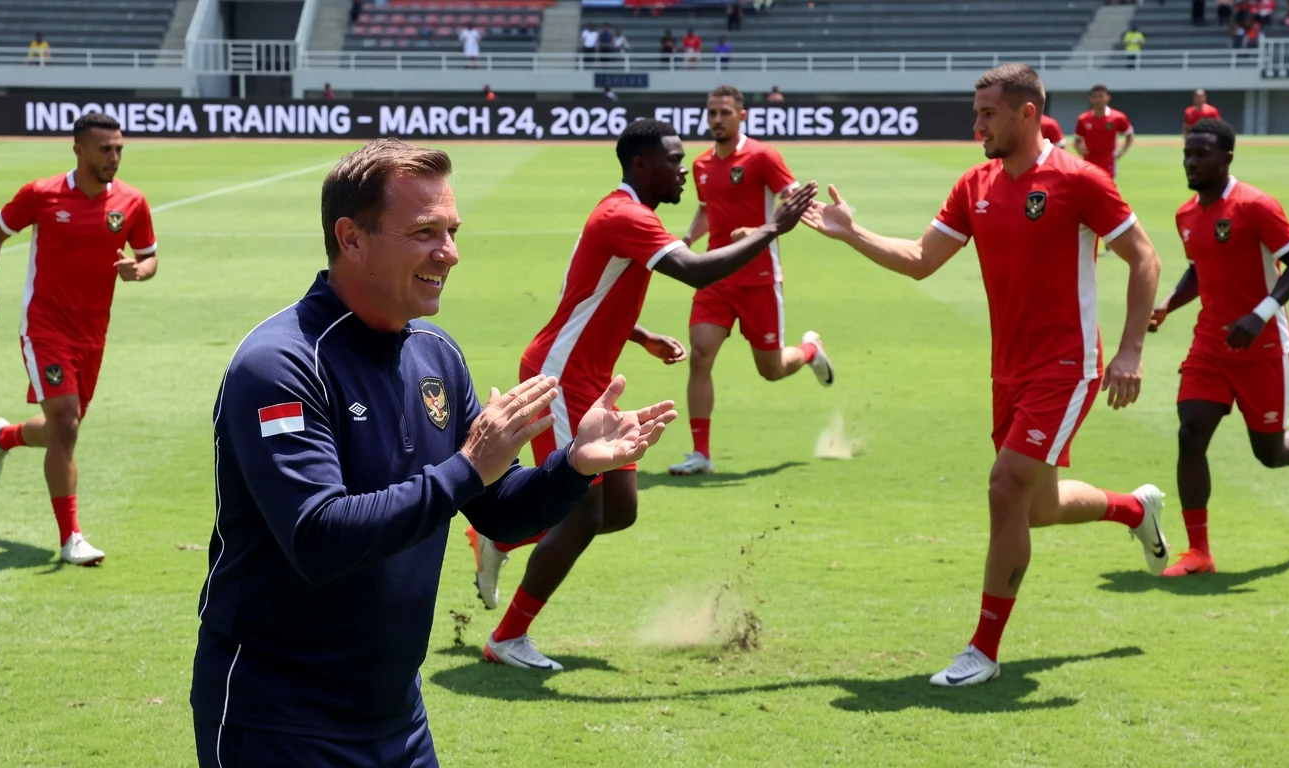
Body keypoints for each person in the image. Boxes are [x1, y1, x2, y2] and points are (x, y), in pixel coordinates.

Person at [190, 139, 679, 767]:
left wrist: (573, 466)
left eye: (451, 231)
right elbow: (318, 539)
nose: (449, 252)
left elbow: (500, 510)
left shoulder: (435, 354)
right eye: (425, 232)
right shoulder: (281, 365)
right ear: (352, 238)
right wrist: (467, 467)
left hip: (398, 718)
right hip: (281, 720)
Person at [800, 63, 1169, 688]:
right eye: (976, 114)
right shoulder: (975, 184)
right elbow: (921, 259)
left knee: (1004, 489)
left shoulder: (1079, 179)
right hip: (1008, 371)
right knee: (1037, 507)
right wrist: (853, 232)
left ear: (1028, 114)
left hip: (1067, 366)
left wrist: (1130, 351)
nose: (977, 127)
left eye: (987, 114)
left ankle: (983, 650)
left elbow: (1145, 257)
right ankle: (1135, 509)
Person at [465, 120, 817, 671]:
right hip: (561, 377)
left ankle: (502, 538)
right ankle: (507, 638)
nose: (684, 170)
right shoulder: (624, 215)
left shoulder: (629, 213)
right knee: (581, 514)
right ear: (641, 166)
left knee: (620, 509)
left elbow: (585, 293)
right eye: (673, 161)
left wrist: (640, 334)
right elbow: (697, 273)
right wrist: (773, 228)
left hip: (590, 376)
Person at [1147, 119, 1289, 576]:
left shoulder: (1255, 205)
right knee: (1190, 434)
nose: (1191, 163)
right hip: (1210, 346)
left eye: (1202, 155)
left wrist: (1261, 314)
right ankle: (1200, 553)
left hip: (1264, 348)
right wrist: (1168, 304)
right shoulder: (1185, 215)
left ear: (1227, 158)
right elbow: (1199, 269)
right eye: (1187, 155)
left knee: (1270, 454)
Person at [0, 112, 158, 567]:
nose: (114, 157)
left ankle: (5, 436)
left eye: (119, 149)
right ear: (78, 149)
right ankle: (71, 537)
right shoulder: (41, 194)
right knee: (68, 425)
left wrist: (138, 271)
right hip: (44, 327)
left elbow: (149, 257)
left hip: (92, 334)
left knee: (61, 427)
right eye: (105, 149)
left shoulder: (132, 201)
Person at [668, 85, 833, 476]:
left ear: (741, 115)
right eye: (712, 112)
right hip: (715, 274)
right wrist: (688, 240)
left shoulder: (763, 156)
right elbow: (707, 209)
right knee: (700, 355)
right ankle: (701, 454)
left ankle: (810, 350)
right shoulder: (702, 164)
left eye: (725, 112)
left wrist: (758, 231)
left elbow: (794, 204)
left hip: (759, 277)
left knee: (771, 370)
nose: (717, 119)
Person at [1074, 84, 1134, 180]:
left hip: (1109, 164)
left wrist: (1122, 151)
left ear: (1108, 98)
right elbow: (1077, 139)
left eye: (1101, 96)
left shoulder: (1117, 117)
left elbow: (1129, 134)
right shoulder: (1083, 118)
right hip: (1088, 163)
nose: (1098, 100)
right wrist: (1079, 148)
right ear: (1090, 99)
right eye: (1095, 97)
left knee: (1107, 188)